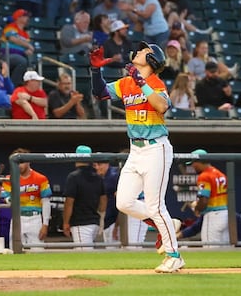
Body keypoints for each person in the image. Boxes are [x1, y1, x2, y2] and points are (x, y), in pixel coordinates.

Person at [89, 41, 185, 272]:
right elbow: (100, 93)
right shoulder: (126, 82)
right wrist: (95, 70)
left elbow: (161, 106)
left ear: (152, 60)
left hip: (156, 148)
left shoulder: (155, 82)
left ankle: (174, 256)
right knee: (123, 201)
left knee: (155, 204)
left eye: (144, 50)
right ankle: (167, 225)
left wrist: (140, 80)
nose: (138, 51)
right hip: (135, 150)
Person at [2, 148, 52, 250]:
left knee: (38, 252)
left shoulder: (40, 178)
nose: (19, 165)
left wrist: (45, 224)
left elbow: (46, 202)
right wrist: (13, 199)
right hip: (17, 218)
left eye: (22, 162)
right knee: (15, 251)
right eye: (17, 162)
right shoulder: (9, 178)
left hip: (35, 218)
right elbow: (5, 198)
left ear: (28, 161)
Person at [62, 145, 106, 250]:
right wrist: (101, 218)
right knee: (85, 252)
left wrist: (65, 222)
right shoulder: (97, 177)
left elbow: (69, 202)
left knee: (84, 254)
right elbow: (103, 201)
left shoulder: (73, 177)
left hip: (80, 223)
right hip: (94, 222)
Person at [185, 149, 229, 247]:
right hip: (225, 214)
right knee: (225, 250)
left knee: (210, 249)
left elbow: (204, 200)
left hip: (213, 215)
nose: (192, 166)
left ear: (199, 161)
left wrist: (197, 209)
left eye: (193, 163)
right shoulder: (220, 173)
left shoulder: (204, 176)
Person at [0, 9, 35, 86]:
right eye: (25, 16)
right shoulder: (11, 27)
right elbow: (12, 38)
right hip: (7, 55)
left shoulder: (25, 34)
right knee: (21, 61)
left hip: (21, 56)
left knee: (26, 63)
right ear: (18, 17)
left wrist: (28, 51)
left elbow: (28, 50)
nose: (27, 18)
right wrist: (28, 46)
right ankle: (13, 85)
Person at [92, 156, 120, 249]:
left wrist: (117, 225)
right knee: (110, 248)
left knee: (115, 249)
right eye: (95, 165)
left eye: (100, 164)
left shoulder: (113, 176)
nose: (97, 167)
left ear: (107, 164)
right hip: (109, 220)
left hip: (115, 220)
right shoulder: (103, 177)